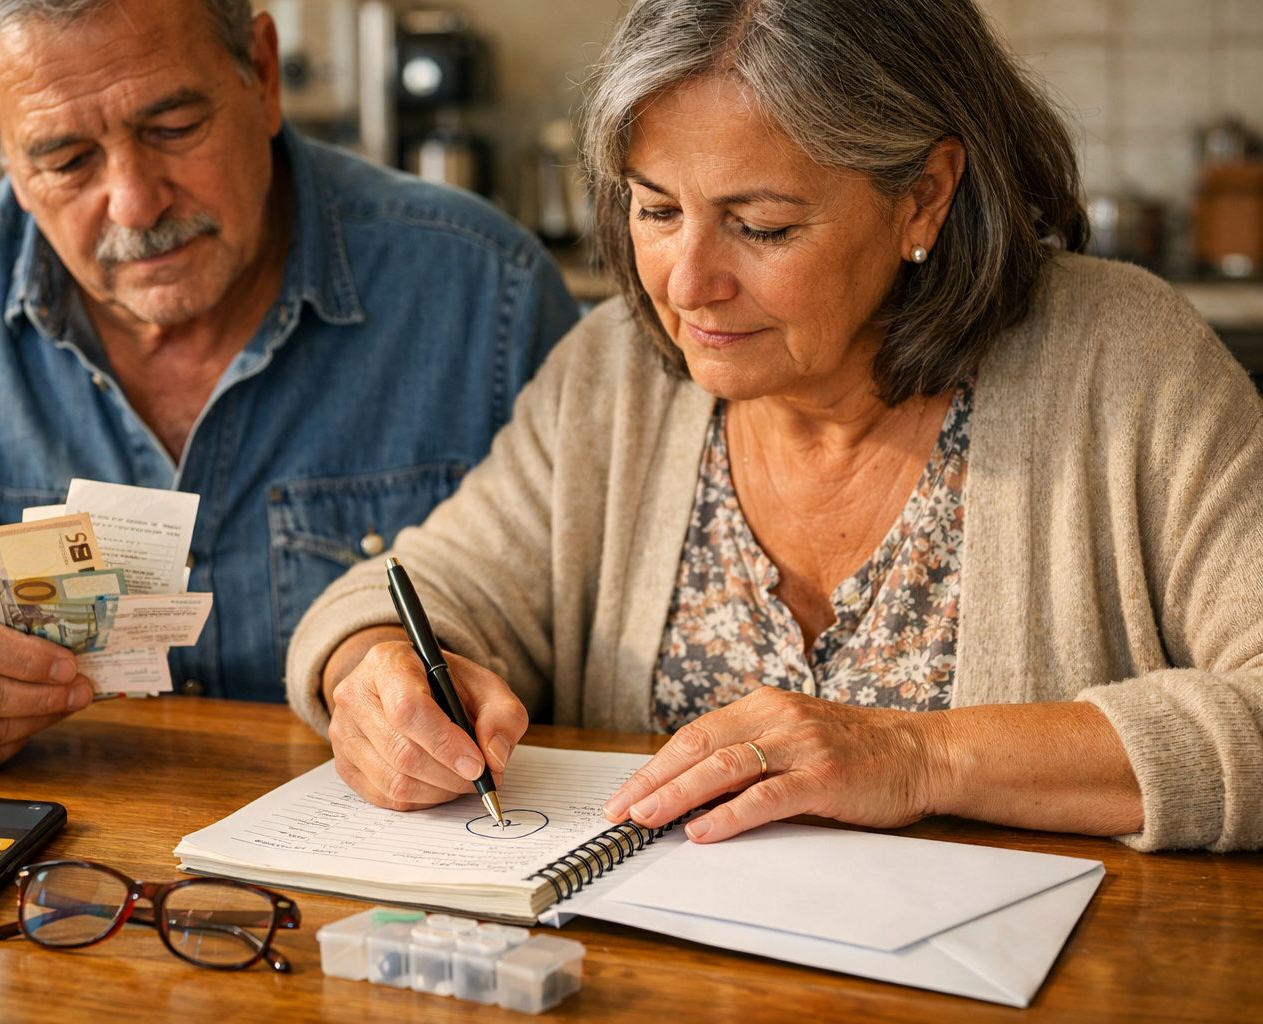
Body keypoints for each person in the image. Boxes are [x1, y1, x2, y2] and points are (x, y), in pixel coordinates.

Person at [288, 0, 1263, 852]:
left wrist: (920, 757)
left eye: (760, 226)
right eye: (657, 209)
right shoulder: (618, 376)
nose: (686, 282)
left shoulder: (1127, 365)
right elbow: (417, 594)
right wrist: (372, 672)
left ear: (924, 195)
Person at [0, 0, 576, 776]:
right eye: (64, 158)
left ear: (263, 74)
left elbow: (602, 628)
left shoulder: (483, 294)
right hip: (34, 900)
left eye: (172, 125)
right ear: (0, 153)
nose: (134, 204)